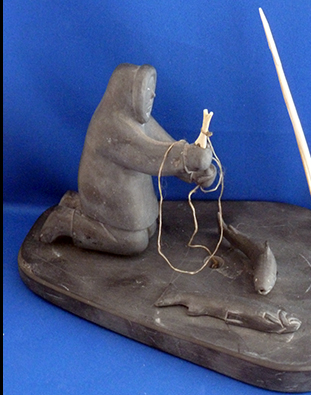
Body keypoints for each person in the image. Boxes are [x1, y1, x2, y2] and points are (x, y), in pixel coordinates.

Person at [39, 63, 216, 255]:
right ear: (127, 93)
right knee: (133, 243)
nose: (152, 95)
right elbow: (150, 156)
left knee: (150, 228)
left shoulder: (137, 119)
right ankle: (66, 222)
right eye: (145, 90)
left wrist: (195, 173)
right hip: (108, 196)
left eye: (152, 90)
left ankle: (77, 203)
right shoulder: (110, 126)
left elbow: (167, 146)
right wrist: (189, 158)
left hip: (127, 195)